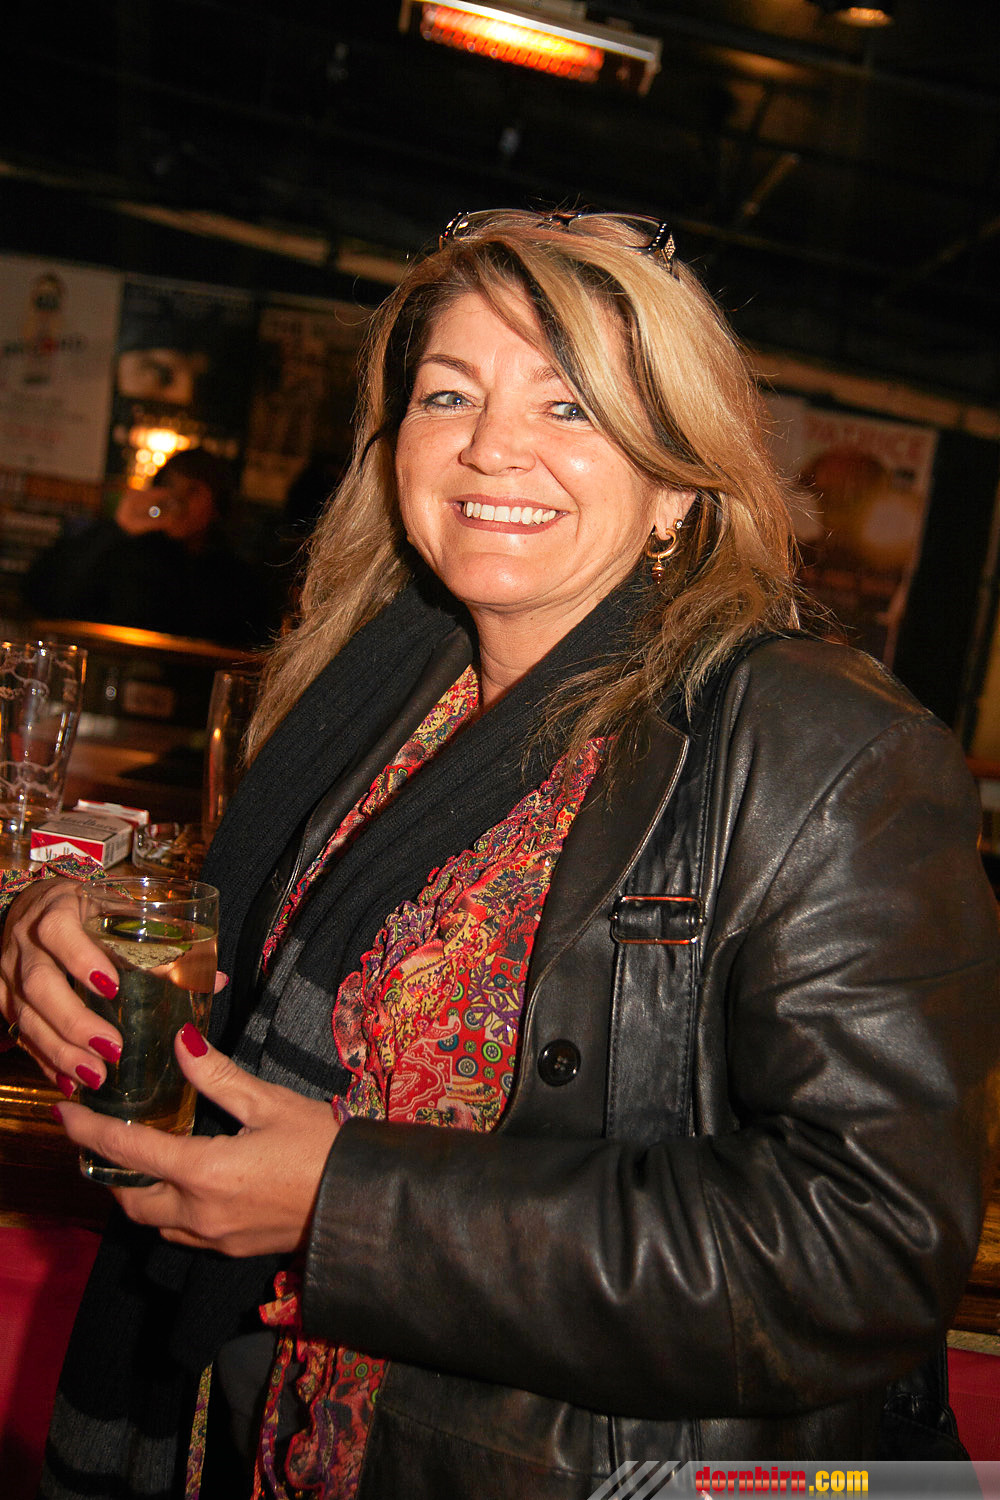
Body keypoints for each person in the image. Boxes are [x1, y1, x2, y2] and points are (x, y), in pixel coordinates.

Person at [1, 209, 997, 1500]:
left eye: (569, 405)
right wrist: (59, 912)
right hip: (261, 1440)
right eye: (447, 393)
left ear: (679, 482)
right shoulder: (371, 693)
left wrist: (349, 1209)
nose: (489, 445)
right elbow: (226, 919)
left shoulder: (825, 749)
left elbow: (869, 1249)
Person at [22, 447, 272, 647]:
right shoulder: (127, 552)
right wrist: (117, 528)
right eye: (170, 486)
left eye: (193, 491)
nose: (177, 500)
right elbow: (45, 595)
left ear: (217, 506)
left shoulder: (235, 577)